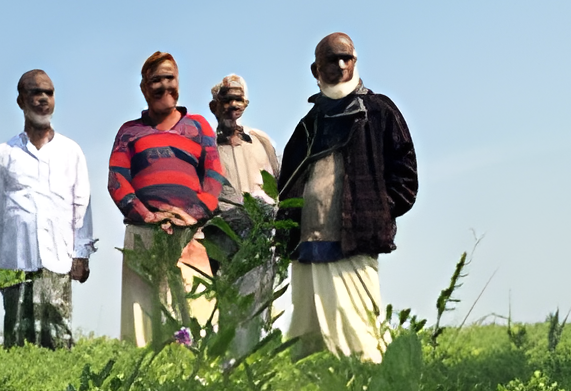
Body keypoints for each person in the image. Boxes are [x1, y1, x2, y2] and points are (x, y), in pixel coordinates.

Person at [274, 33, 418, 362]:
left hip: (353, 247)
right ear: (315, 69)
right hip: (307, 250)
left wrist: (375, 213)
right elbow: (287, 185)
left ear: (354, 62)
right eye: (331, 59)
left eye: (346, 58)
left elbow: (406, 178)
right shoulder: (308, 125)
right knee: (307, 349)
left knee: (362, 345)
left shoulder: (378, 111)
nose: (340, 65)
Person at [107, 52, 224, 346]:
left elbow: (213, 177)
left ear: (179, 82)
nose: (163, 86)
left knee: (198, 309)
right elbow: (117, 179)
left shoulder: (199, 126)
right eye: (155, 80)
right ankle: (146, 381)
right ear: (144, 89)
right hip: (144, 232)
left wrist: (192, 215)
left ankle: (199, 379)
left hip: (190, 234)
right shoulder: (129, 132)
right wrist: (148, 216)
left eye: (169, 78)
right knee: (143, 319)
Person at [0, 70, 94, 349]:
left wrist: (81, 254)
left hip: (57, 260)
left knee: (58, 338)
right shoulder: (3, 153)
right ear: (21, 100)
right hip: (15, 261)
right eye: (36, 93)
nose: (43, 99)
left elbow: (82, 204)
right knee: (17, 337)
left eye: (49, 92)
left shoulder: (71, 151)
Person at [207, 74, 281, 354]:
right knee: (228, 304)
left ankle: (258, 358)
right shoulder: (206, 146)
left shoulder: (261, 141)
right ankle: (230, 365)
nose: (233, 106)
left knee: (261, 302)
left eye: (239, 100)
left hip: (261, 236)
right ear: (214, 106)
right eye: (226, 100)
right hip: (222, 236)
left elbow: (280, 184)